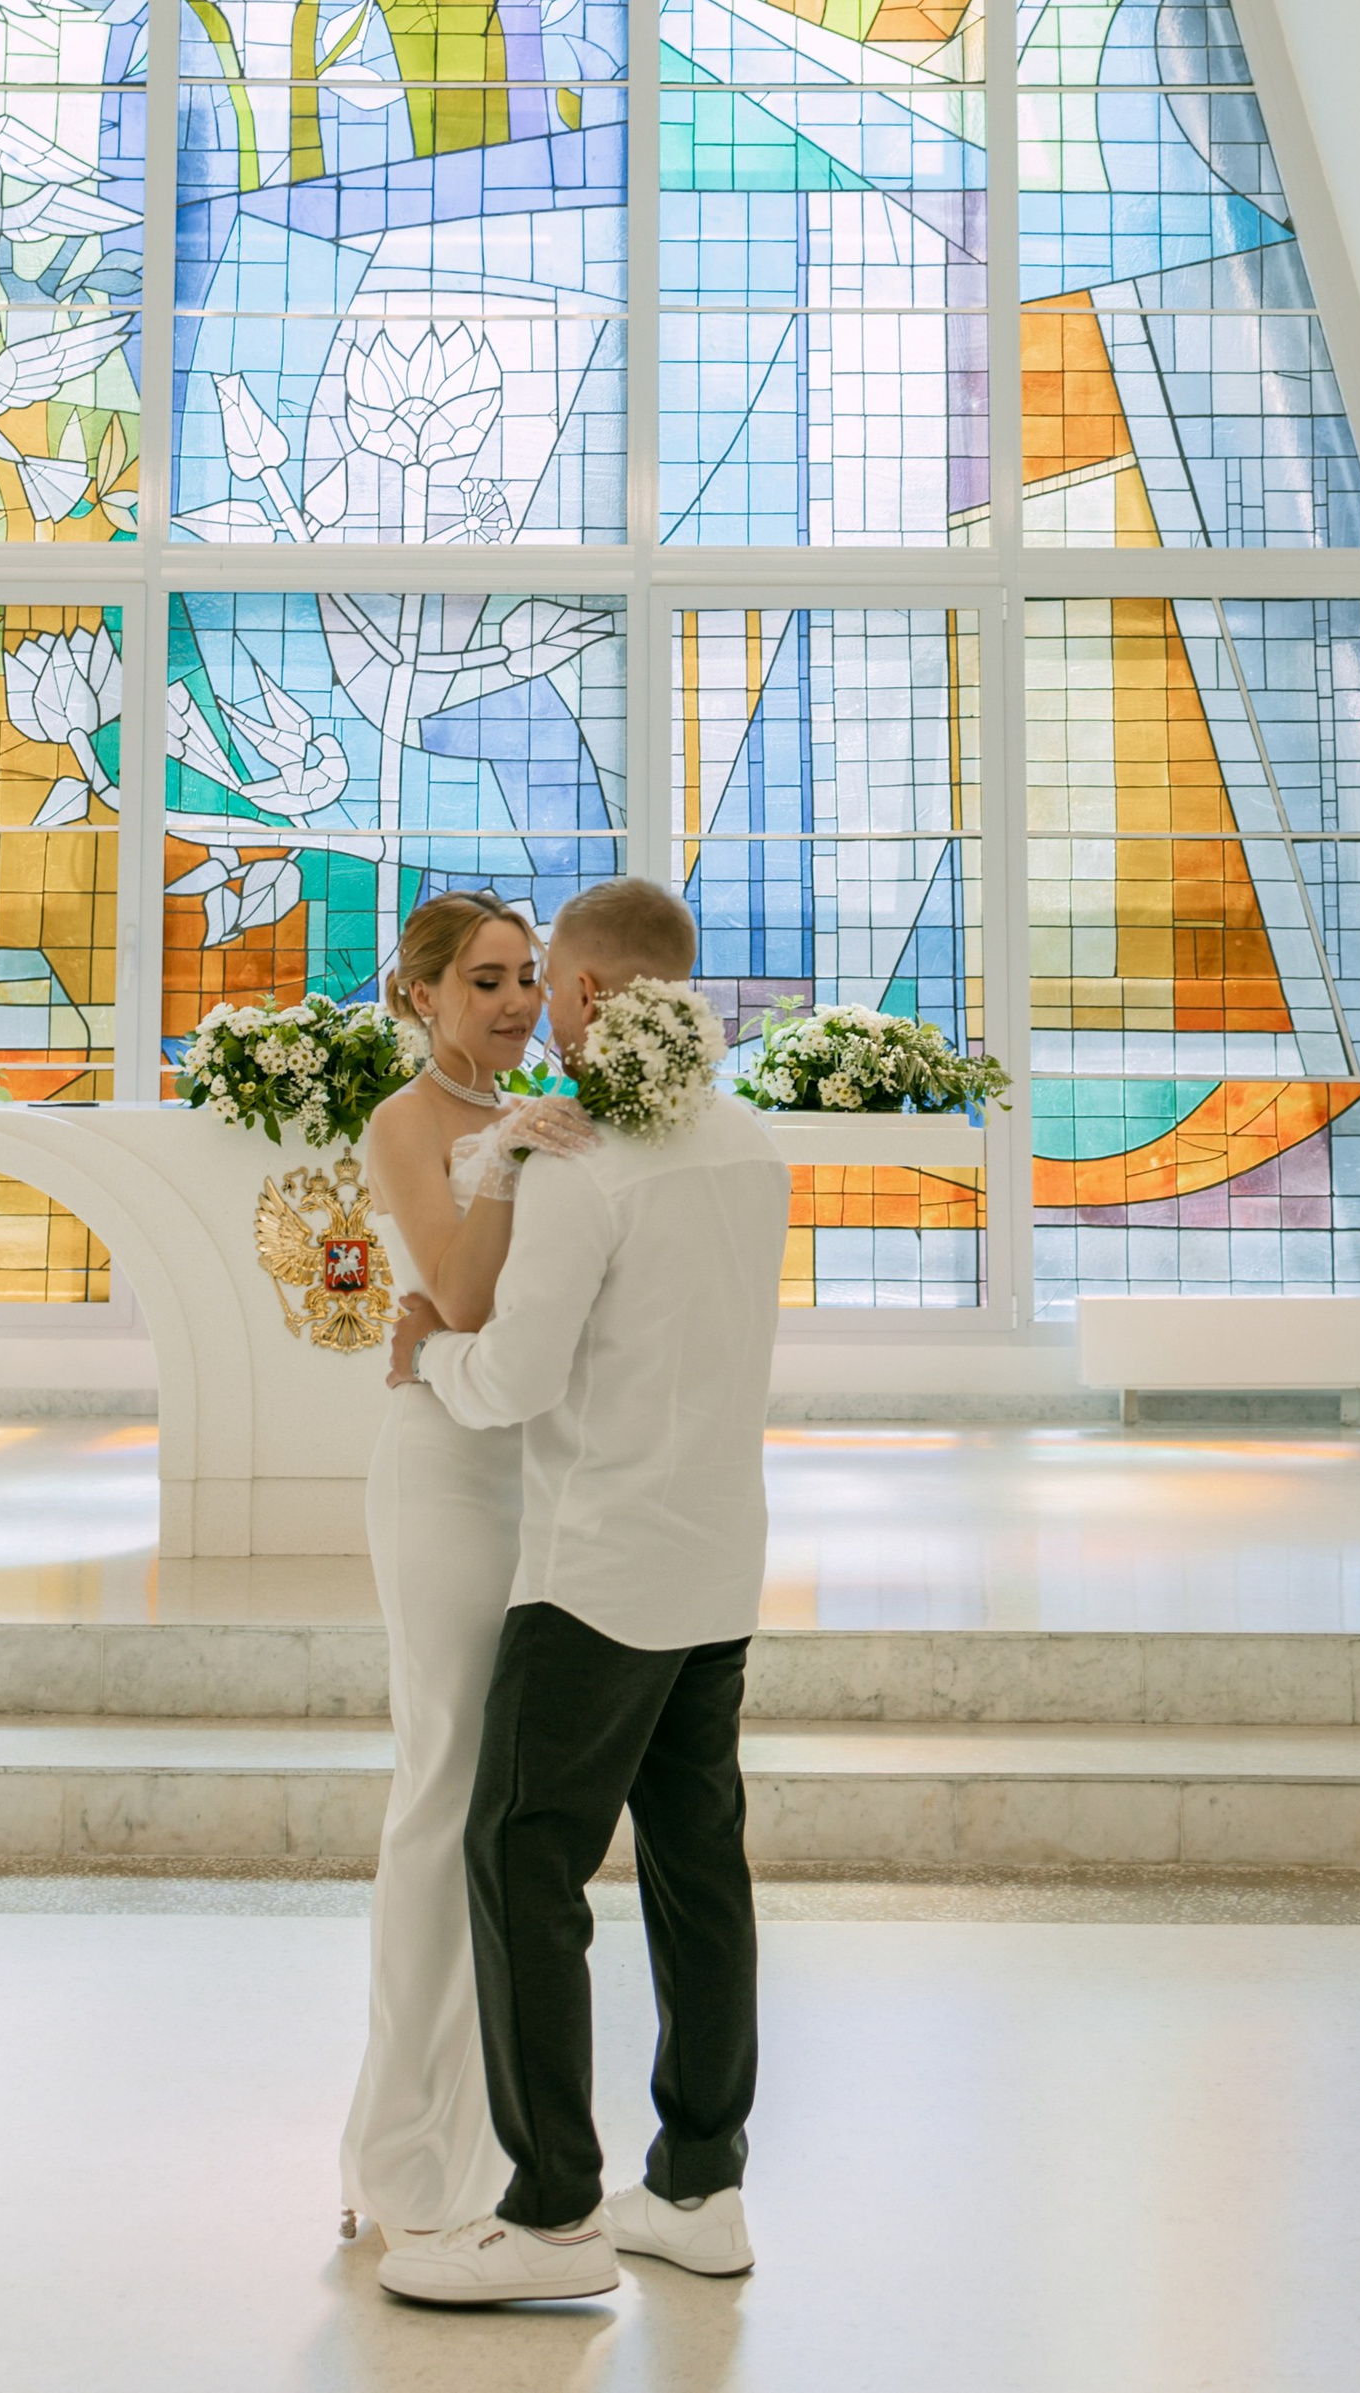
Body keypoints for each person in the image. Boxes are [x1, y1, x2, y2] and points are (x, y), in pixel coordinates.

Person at [374, 878, 791, 2313]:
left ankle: (551, 2212)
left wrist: (424, 1351)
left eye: (548, 978)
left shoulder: (584, 1163)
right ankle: (698, 2186)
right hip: (717, 1566)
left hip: (598, 1576)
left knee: (519, 1861)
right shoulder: (747, 1146)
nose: (535, 1003)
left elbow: (509, 1382)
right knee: (698, 1872)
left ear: (602, 997)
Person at [340, 894, 594, 2251]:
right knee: (441, 1789)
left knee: (502, 1805)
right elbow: (463, 1289)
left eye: (527, 979)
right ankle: (398, 2146)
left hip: (540, 1471)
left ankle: (472, 2124)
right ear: (423, 994)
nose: (510, 1001)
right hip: (443, 1468)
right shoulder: (405, 1125)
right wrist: (500, 1160)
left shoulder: (538, 1109)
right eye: (484, 979)